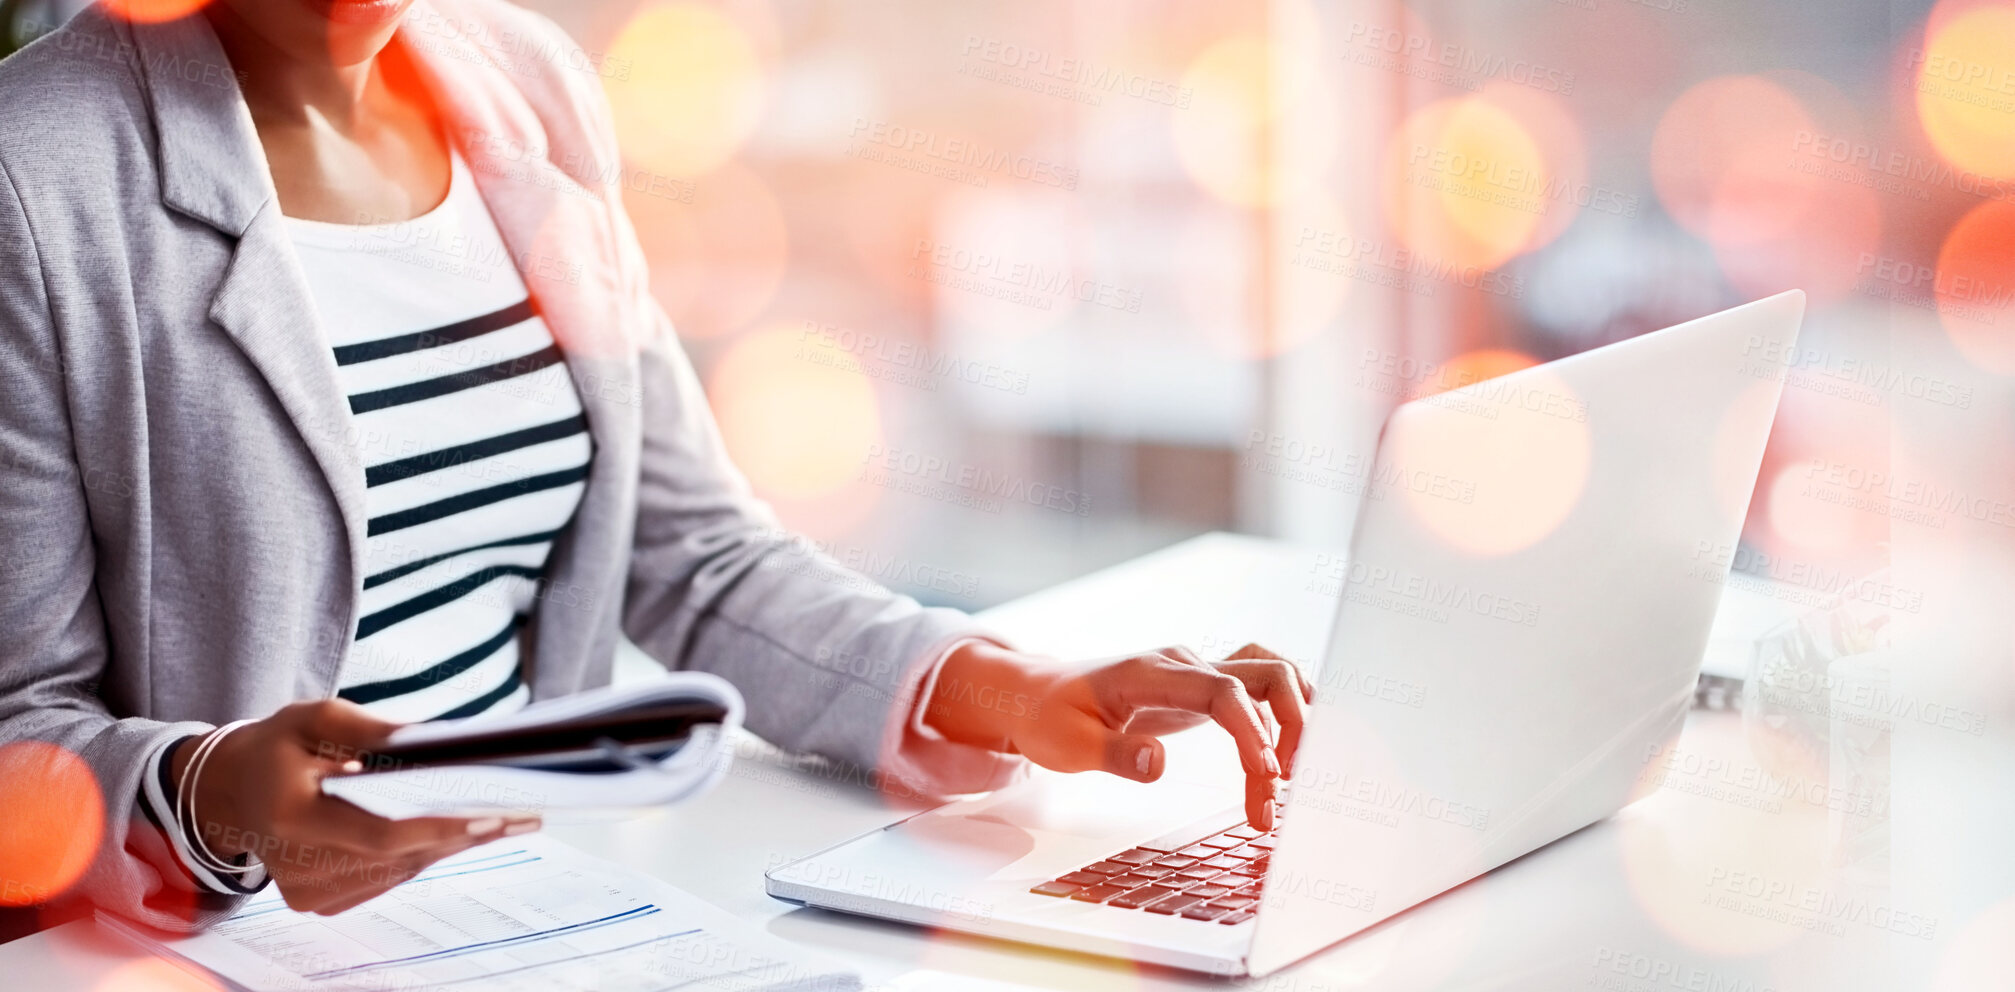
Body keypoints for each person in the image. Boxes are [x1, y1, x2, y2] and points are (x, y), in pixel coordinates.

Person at [0, 0, 1308, 932]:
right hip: (242, 947)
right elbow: (20, 734)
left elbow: (691, 552)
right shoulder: (37, 170)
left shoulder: (525, 85)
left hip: (557, 903)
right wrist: (222, 796)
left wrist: (1010, 689)